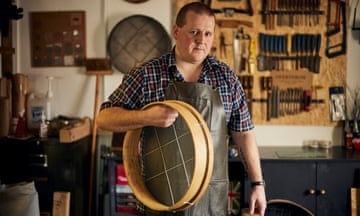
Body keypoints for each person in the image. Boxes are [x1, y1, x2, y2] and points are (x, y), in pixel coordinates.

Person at [97, 2, 266, 216]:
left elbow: (244, 134)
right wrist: (145, 117)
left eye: (207, 34)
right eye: (194, 32)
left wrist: (257, 184)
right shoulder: (147, 74)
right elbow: (103, 119)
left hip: (211, 203)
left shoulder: (226, 77)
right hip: (159, 200)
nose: (201, 41)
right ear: (176, 31)